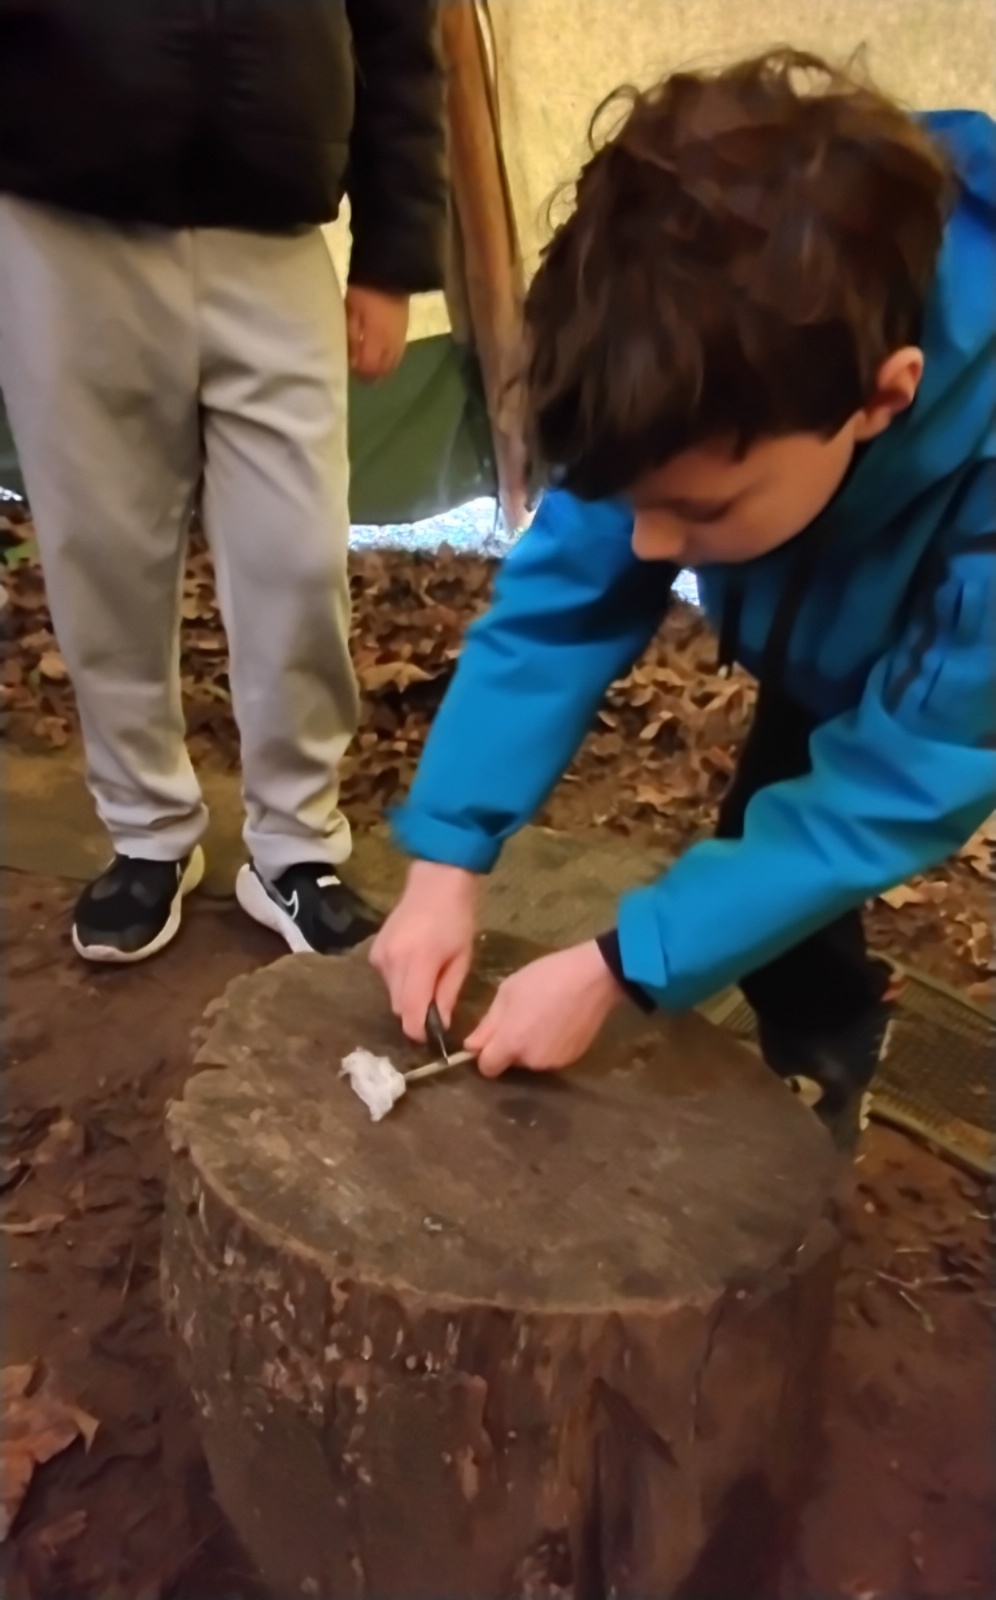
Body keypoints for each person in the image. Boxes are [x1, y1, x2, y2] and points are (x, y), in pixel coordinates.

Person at [371, 50, 995, 1146]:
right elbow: (563, 601)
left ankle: (827, 1057)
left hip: (953, 661)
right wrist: (447, 856)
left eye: (699, 511)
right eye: (636, 501)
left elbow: (906, 774)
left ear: (882, 397)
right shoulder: (690, 370)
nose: (653, 548)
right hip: (835, 619)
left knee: (812, 830)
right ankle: (824, 1023)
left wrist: (621, 964)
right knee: (773, 831)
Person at [0, 0, 445, 963]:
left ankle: (297, 846)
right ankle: (147, 834)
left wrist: (393, 255)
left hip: (274, 214)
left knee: (297, 553)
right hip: (62, 212)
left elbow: (399, 33)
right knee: (101, 553)